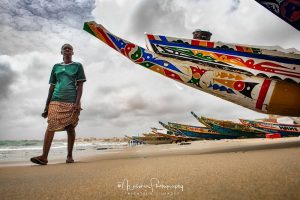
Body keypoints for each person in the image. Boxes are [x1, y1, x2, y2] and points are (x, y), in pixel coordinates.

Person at [30, 44, 86, 165]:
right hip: (55, 99)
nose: (67, 49)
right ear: (61, 52)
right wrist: (46, 105)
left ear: (72, 52)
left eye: (69, 48)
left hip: (72, 100)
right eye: (65, 48)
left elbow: (80, 85)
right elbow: (52, 86)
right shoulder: (56, 67)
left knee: (70, 127)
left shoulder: (78, 66)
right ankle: (44, 157)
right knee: (51, 125)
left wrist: (77, 103)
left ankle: (69, 156)